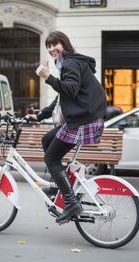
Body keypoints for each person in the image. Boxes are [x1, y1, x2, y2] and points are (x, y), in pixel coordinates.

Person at [29, 31, 106, 223]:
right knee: (47, 140)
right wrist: (41, 115)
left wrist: (48, 77)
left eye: (55, 44)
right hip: (85, 117)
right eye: (49, 46)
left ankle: (71, 203)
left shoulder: (70, 62)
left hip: (82, 120)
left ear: (64, 44)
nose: (52, 49)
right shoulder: (68, 61)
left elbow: (69, 89)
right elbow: (63, 96)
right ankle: (61, 186)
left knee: (51, 157)